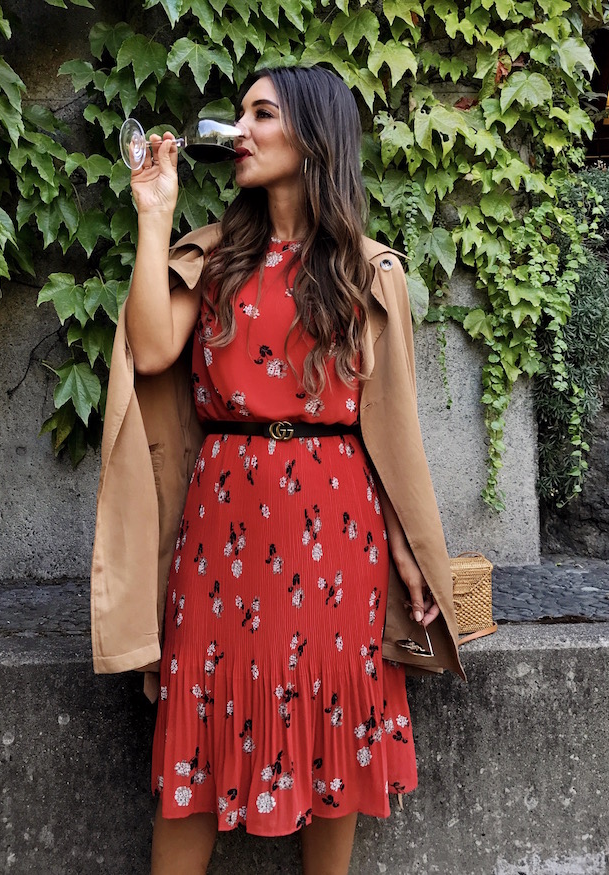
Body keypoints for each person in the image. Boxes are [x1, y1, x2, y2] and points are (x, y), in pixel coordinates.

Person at [90, 64, 465, 875]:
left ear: (313, 135)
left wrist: (409, 553)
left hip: (336, 532)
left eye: (262, 114)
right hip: (221, 528)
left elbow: (391, 432)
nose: (241, 130)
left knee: (336, 741)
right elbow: (152, 349)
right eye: (240, 114)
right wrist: (154, 216)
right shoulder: (215, 257)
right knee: (191, 764)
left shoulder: (373, 273)